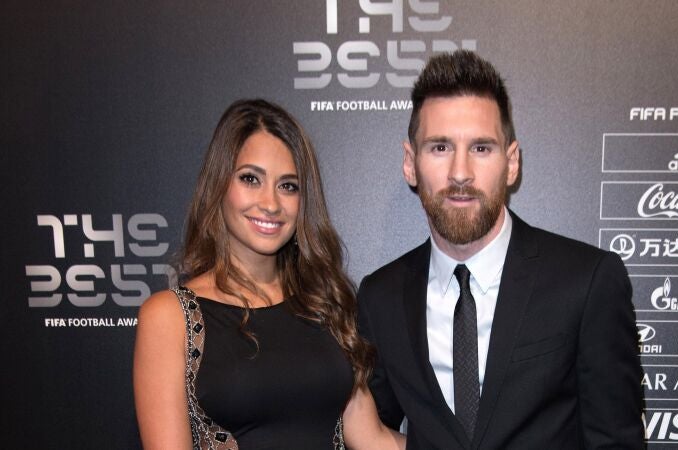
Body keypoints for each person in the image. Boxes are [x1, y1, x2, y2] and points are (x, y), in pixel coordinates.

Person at [357, 50, 644, 449]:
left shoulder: (586, 281)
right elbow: (372, 430)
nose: (460, 173)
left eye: (481, 148)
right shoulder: (381, 297)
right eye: (440, 148)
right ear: (410, 162)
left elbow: (616, 442)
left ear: (511, 162)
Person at [133, 99, 404, 449]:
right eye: (250, 179)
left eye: (288, 186)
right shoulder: (170, 317)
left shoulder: (325, 305)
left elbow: (373, 439)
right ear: (218, 185)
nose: (271, 204)